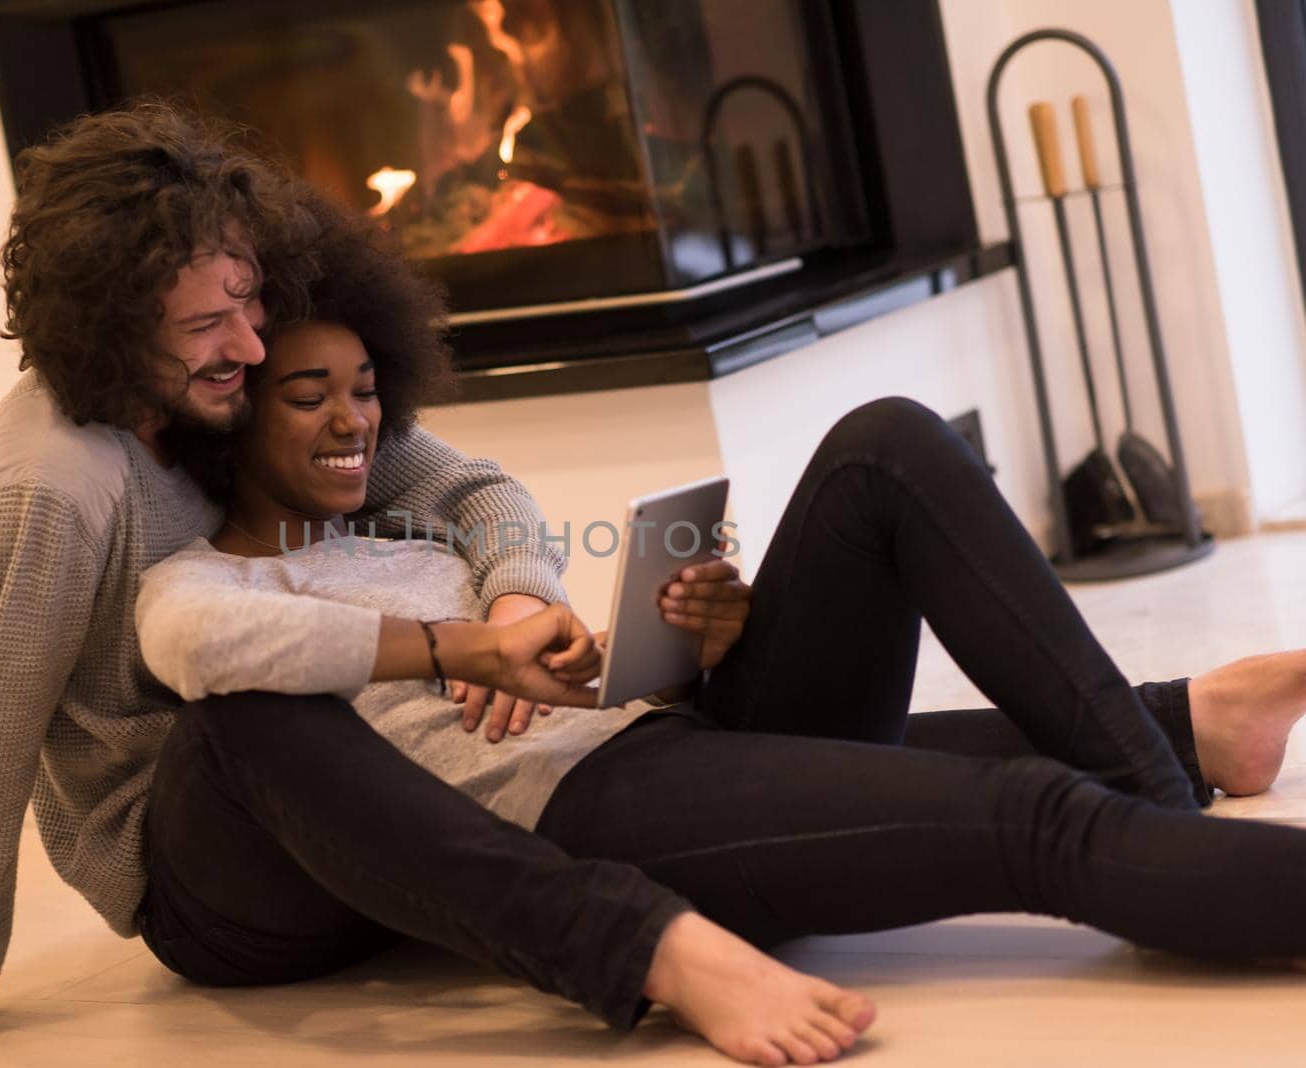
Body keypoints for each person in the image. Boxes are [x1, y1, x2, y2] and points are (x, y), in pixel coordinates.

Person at [135, 300, 1306, 1066]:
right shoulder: (199, 586)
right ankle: (1171, 829)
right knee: (1033, 821)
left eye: (362, 388)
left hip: (661, 733)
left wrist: (695, 643)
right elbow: (199, 651)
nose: (352, 419)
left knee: (886, 442)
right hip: (594, 816)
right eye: (308, 396)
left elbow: (550, 662)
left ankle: (1162, 800)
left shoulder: (418, 543)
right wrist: (459, 650)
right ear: (230, 429)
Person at [0, 102, 630, 1068]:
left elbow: (474, 490)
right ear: (112, 329)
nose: (254, 344)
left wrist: (517, 597)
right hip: (211, 874)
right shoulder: (47, 494)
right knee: (250, 711)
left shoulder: (227, 387)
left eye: (248, 298)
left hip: (350, 798)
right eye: (206, 322)